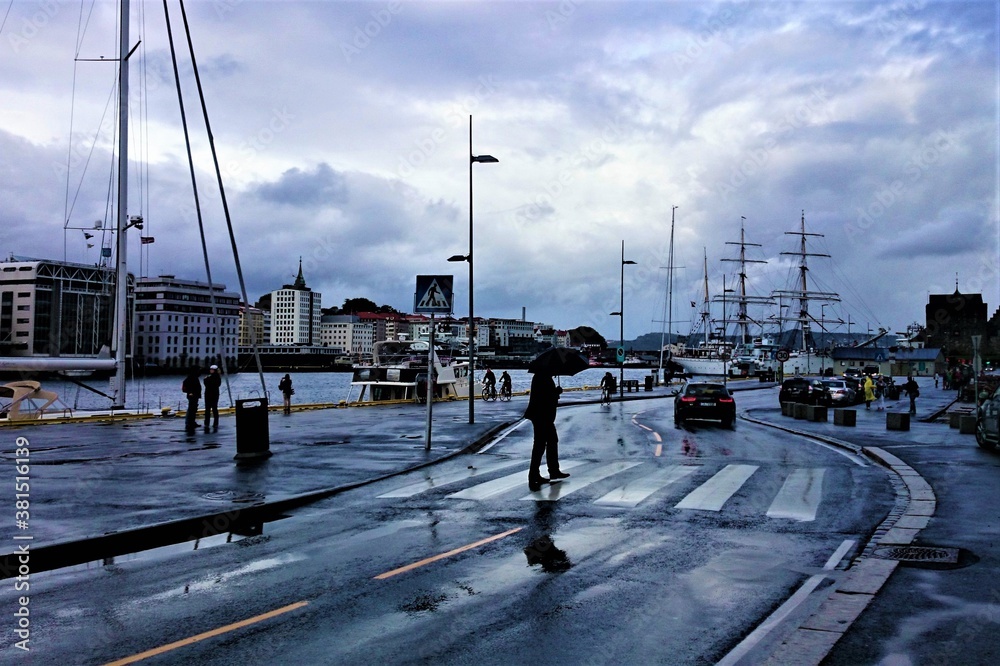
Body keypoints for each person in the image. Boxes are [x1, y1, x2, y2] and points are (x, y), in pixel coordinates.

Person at [523, 371, 568, 491]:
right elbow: (544, 397)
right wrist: (556, 392)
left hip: (542, 416)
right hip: (542, 416)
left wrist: (555, 393)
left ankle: (549, 471)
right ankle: (538, 473)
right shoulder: (543, 377)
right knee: (541, 445)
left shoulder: (541, 376)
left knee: (546, 442)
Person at [181, 368, 202, 433]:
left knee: (193, 409)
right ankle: (189, 423)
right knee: (191, 409)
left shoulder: (194, 377)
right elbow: (185, 386)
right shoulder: (191, 378)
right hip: (192, 395)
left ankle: (192, 422)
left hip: (195, 395)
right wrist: (189, 392)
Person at [203, 364, 221, 431]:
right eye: (210, 369)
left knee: (214, 409)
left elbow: (213, 384)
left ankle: (215, 423)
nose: (211, 370)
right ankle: (207, 423)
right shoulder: (209, 377)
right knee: (208, 409)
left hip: (213, 394)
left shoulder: (217, 377)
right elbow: (206, 384)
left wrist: (207, 380)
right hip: (208, 394)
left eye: (212, 370)